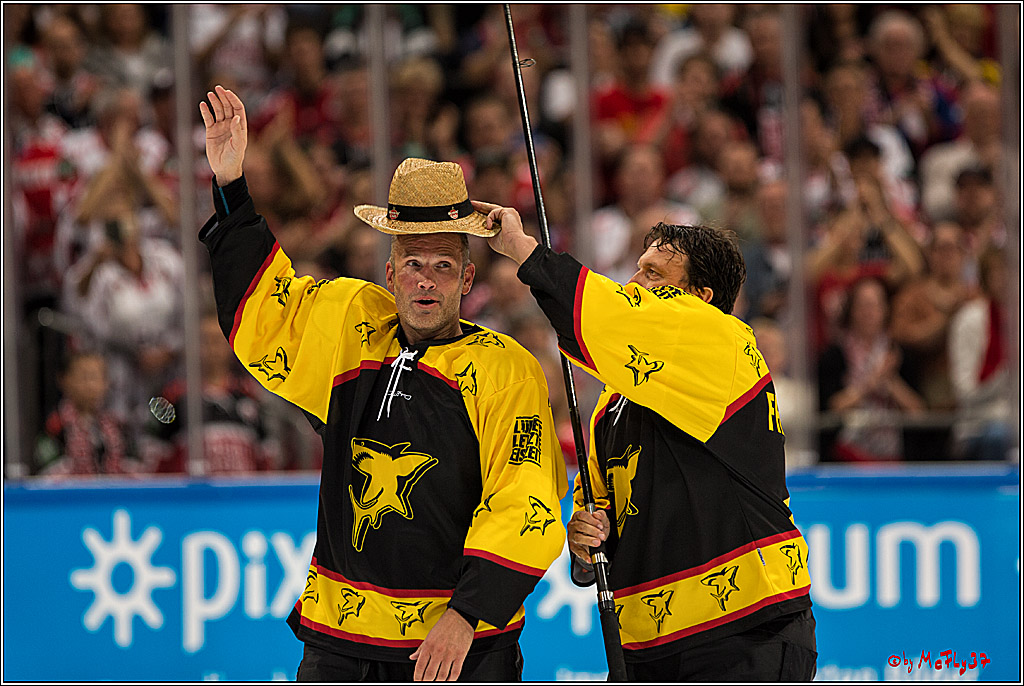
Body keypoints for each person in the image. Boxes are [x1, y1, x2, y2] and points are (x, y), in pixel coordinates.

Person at [197, 86, 566, 681]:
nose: (426, 281)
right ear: (389, 270)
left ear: (468, 277)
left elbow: (527, 499)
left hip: (454, 646)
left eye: (443, 266)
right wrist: (233, 184)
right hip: (342, 640)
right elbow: (265, 316)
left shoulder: (507, 367)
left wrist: (467, 616)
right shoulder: (351, 323)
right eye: (413, 264)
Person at [472, 200, 816, 680]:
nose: (634, 285)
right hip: (646, 649)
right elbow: (599, 519)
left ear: (701, 297)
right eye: (637, 270)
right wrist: (584, 544)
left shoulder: (724, 342)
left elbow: (611, 318)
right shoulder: (612, 402)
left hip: (743, 631)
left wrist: (523, 249)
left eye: (654, 275)